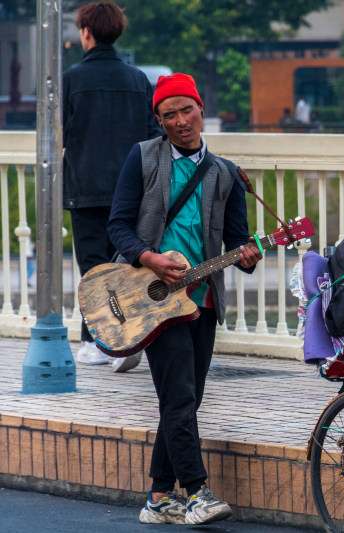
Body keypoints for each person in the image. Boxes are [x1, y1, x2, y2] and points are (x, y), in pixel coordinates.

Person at [107, 72, 262, 526]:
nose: (179, 121)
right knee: (178, 398)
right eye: (168, 114)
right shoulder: (143, 158)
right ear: (157, 119)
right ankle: (196, 492)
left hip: (202, 300)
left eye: (186, 110)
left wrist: (249, 255)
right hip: (150, 299)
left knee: (185, 401)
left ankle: (158, 498)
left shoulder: (226, 173)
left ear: (200, 109)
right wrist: (149, 257)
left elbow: (239, 242)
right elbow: (117, 225)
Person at [62, 1, 162, 371]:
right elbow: (153, 137)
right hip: (130, 190)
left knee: (93, 269)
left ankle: (98, 342)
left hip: (85, 189)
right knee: (128, 265)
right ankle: (127, 336)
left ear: (86, 32)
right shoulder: (137, 80)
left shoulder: (71, 79)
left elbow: (59, 134)